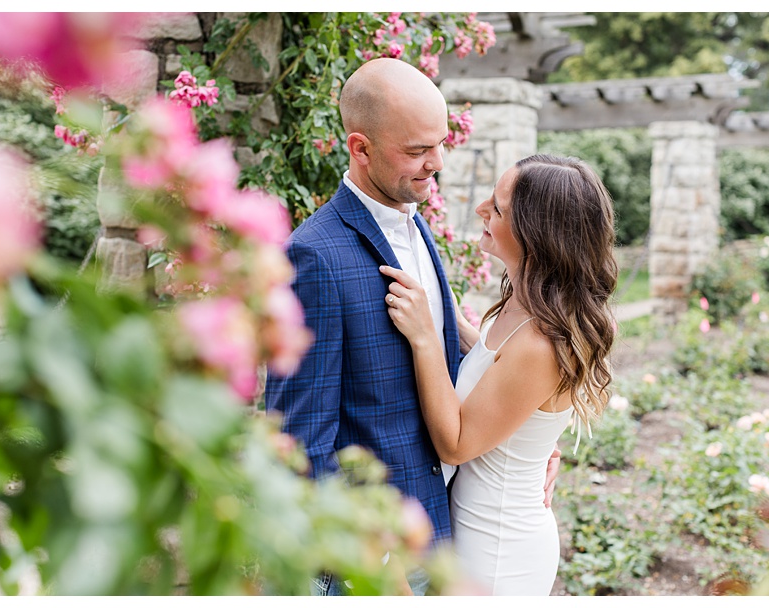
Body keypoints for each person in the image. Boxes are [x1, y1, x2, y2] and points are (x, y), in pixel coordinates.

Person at [264, 57, 559, 596]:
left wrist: (529, 445)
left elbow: (458, 364)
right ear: (360, 148)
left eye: (440, 144)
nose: (437, 163)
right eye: (418, 151)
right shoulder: (314, 257)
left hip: (442, 535)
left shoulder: (416, 224)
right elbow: (297, 440)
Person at [379, 153, 618, 595]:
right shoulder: (524, 304)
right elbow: (491, 360)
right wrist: (440, 308)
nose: (480, 210)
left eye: (498, 208)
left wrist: (426, 338)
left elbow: (456, 444)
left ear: (536, 235)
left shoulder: (541, 342)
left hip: (497, 552)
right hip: (475, 530)